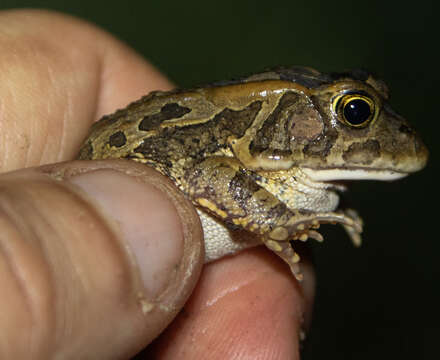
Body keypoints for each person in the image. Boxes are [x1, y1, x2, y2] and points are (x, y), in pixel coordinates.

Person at [0, 9, 314, 359]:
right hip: (113, 171)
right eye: (355, 113)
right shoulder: (240, 150)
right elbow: (206, 175)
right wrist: (275, 219)